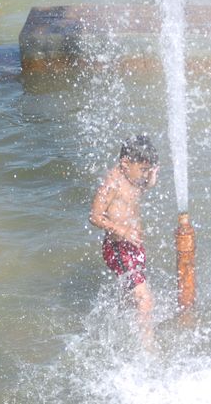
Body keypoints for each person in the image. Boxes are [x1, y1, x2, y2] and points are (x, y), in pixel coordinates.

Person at [89, 135, 160, 348]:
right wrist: (122, 230)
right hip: (119, 247)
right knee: (145, 300)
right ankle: (148, 350)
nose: (145, 175)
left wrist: (150, 181)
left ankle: (119, 329)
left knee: (132, 295)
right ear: (125, 163)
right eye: (143, 170)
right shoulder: (112, 183)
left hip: (134, 246)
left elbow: (135, 195)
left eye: (148, 170)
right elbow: (94, 216)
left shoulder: (132, 177)